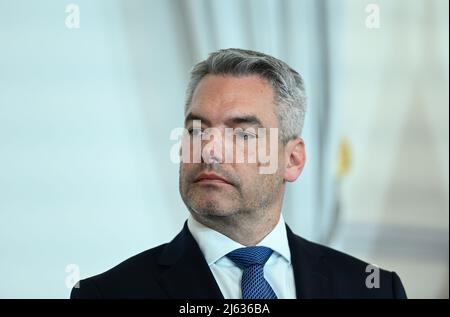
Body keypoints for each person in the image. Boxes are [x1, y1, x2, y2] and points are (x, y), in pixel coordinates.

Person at [71, 48, 407, 299]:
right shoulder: (108, 295)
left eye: (242, 134)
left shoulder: (374, 290)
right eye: (197, 131)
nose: (209, 150)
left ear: (292, 160)